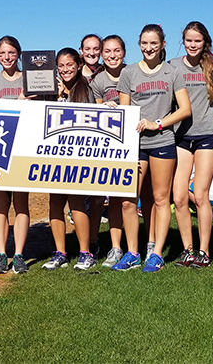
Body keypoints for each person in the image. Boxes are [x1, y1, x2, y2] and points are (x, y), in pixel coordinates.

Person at [112, 24, 191, 272]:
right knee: (128, 200)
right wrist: (115, 110)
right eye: (144, 44)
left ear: (162, 45)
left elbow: (185, 109)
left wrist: (157, 124)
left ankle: (156, 253)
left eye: (154, 43)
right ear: (139, 45)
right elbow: (125, 109)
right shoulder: (129, 73)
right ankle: (133, 252)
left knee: (160, 199)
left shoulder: (172, 72)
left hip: (162, 142)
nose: (149, 48)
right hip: (134, 146)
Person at [169, 22, 213, 268]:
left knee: (200, 195)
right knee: (179, 197)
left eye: (197, 41)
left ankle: (204, 251)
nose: (193, 44)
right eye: (189, 40)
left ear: (204, 42)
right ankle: (188, 250)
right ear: (183, 41)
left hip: (208, 135)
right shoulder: (172, 66)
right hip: (181, 137)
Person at [42, 48, 97, 271]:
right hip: (54, 155)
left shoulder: (86, 89)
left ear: (78, 64)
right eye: (61, 66)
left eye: (70, 65)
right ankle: (60, 252)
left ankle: (85, 252)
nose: (65, 69)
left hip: (77, 156)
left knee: (76, 204)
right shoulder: (50, 89)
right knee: (55, 204)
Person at [0, 36, 30, 274]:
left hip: (24, 147)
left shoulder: (28, 78)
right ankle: (1, 253)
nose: (7, 57)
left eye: (11, 53)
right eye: (2, 53)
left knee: (21, 203)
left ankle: (20, 254)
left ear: (19, 54)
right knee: (1, 203)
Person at [90, 35, 127, 267]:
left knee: (137, 199)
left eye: (117, 51)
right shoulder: (98, 80)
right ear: (102, 54)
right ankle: (114, 246)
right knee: (111, 197)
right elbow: (96, 112)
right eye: (107, 52)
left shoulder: (132, 72)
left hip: (137, 141)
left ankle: (149, 244)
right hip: (110, 145)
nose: (112, 56)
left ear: (124, 52)